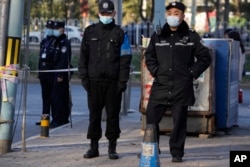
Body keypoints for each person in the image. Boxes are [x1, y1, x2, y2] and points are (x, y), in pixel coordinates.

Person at [144, 1, 211, 163]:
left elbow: (205, 57)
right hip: (161, 85)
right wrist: (156, 71)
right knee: (151, 120)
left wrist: (191, 73)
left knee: (179, 123)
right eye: (170, 13)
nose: (172, 16)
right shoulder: (158, 35)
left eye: (176, 13)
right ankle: (152, 150)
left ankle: (177, 152)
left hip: (181, 86)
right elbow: (149, 56)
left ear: (182, 16)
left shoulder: (191, 37)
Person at [78, 0, 132, 160]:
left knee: (113, 116)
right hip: (94, 82)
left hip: (113, 83)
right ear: (98, 13)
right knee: (94, 115)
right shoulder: (89, 32)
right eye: (103, 13)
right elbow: (83, 57)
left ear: (114, 14)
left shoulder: (120, 33)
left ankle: (112, 148)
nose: (106, 16)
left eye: (109, 13)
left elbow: (126, 58)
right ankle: (93, 147)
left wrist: (123, 81)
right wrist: (83, 78)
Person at [50, 21, 72, 128]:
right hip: (56, 72)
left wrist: (60, 75)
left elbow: (63, 60)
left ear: (62, 29)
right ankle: (59, 118)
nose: (55, 30)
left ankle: (59, 119)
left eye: (57, 28)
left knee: (58, 97)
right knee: (59, 97)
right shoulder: (57, 41)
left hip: (61, 74)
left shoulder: (64, 42)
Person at [36, 20, 56, 125]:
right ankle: (45, 119)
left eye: (51, 28)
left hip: (52, 74)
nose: (48, 29)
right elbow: (40, 58)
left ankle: (55, 119)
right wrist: (39, 72)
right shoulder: (44, 41)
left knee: (53, 97)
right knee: (45, 98)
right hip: (43, 73)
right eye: (47, 27)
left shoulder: (56, 42)